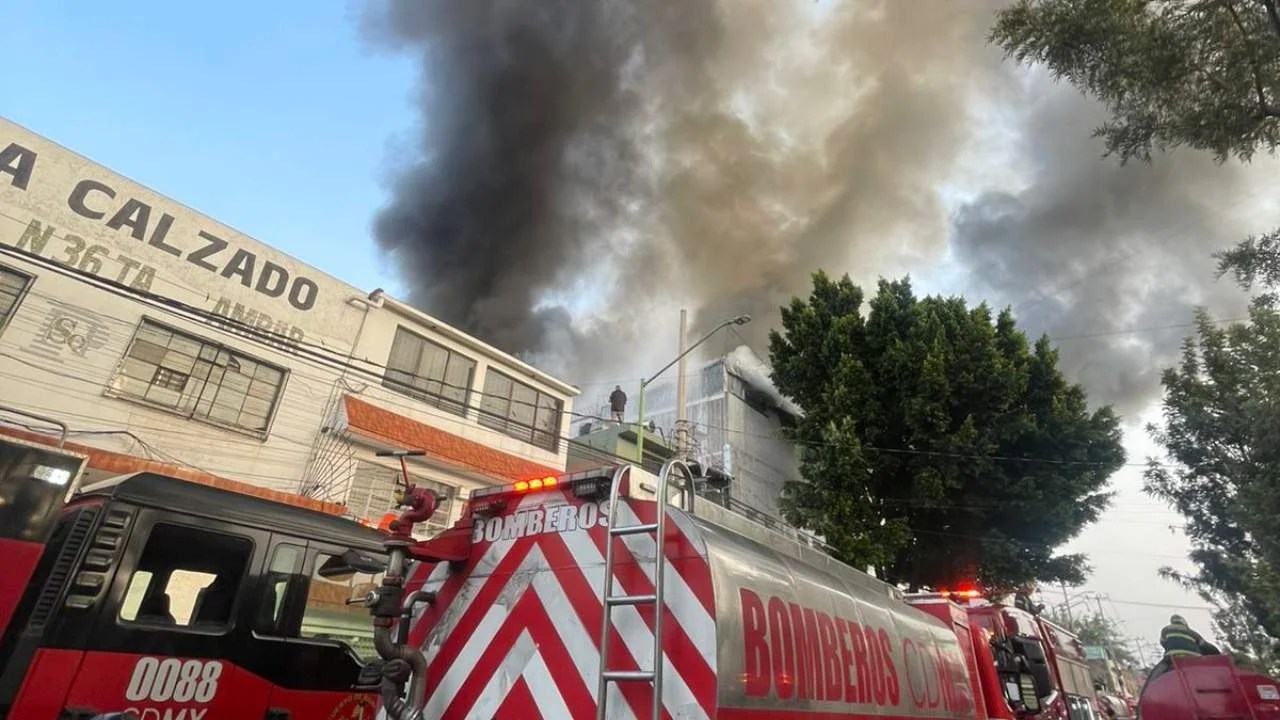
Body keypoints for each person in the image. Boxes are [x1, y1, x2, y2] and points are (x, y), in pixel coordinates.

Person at [1140, 615, 1219, 697]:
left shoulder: (1165, 630)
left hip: (1172, 660)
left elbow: (1163, 642)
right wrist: (1217, 653)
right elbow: (1205, 646)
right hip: (1195, 660)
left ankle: (1144, 698)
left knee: (1153, 677)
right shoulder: (1193, 633)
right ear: (1184, 622)